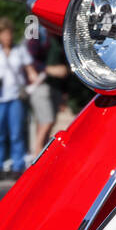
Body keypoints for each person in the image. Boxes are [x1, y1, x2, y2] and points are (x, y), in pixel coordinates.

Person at [0, 17, 35, 180]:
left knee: (16, 133)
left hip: (15, 97)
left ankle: (17, 166)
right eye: (3, 34)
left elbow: (30, 70)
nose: (7, 37)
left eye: (9, 33)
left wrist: (34, 78)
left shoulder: (20, 50)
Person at [26, 29, 69, 157]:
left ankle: (41, 155)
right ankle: (36, 154)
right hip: (41, 84)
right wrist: (49, 69)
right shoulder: (37, 36)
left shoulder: (59, 36)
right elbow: (29, 60)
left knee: (48, 123)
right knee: (46, 121)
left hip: (56, 86)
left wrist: (64, 92)